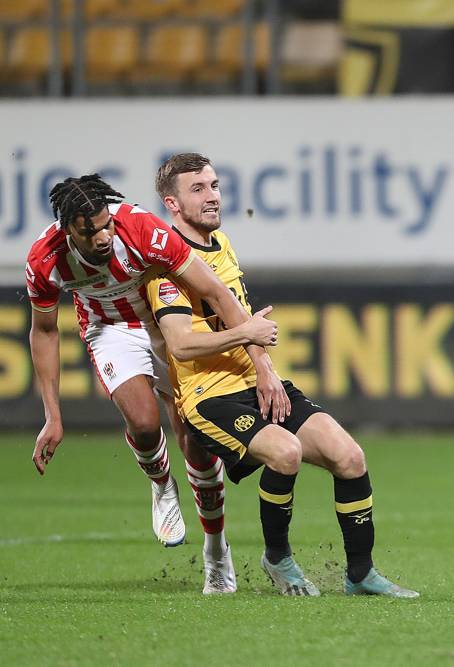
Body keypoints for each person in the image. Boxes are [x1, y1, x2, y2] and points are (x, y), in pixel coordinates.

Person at [147, 152, 418, 598]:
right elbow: (181, 345)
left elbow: (240, 315)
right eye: (197, 189)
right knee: (286, 453)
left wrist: (266, 370)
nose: (212, 196)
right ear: (171, 204)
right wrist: (244, 333)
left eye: (214, 185)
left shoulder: (221, 244)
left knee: (349, 457)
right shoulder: (166, 268)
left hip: (254, 382)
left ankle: (361, 574)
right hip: (208, 397)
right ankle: (278, 558)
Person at [26, 174, 288, 593]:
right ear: (67, 230)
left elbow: (216, 291)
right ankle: (161, 484)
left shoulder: (141, 229)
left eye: (104, 223)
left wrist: (262, 363)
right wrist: (52, 417)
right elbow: (44, 332)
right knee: (146, 425)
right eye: (87, 231)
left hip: (166, 321)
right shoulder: (45, 259)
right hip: (110, 328)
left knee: (196, 445)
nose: (101, 237)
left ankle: (216, 550)